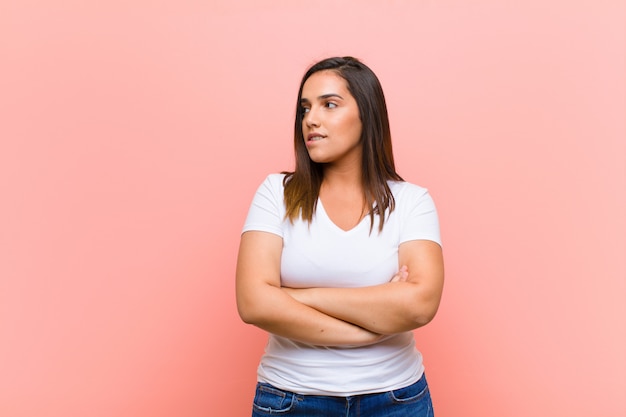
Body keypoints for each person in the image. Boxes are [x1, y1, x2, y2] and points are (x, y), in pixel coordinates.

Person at [236, 56, 444, 417]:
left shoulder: (412, 201)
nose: (310, 120)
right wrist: (366, 330)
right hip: (291, 400)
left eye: (329, 105)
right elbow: (253, 303)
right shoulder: (276, 193)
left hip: (396, 400)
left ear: (367, 115)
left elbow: (420, 304)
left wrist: (299, 296)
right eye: (305, 109)